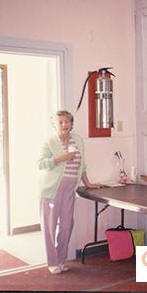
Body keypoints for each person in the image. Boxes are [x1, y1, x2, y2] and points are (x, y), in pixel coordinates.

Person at [38, 110, 102, 274]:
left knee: (67, 225)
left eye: (67, 122)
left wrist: (88, 183)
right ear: (54, 124)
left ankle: (61, 260)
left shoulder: (78, 140)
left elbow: (82, 165)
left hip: (70, 189)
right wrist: (62, 157)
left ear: (71, 124)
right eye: (60, 122)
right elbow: (41, 164)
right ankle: (52, 262)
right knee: (49, 226)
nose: (64, 125)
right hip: (51, 189)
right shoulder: (49, 141)